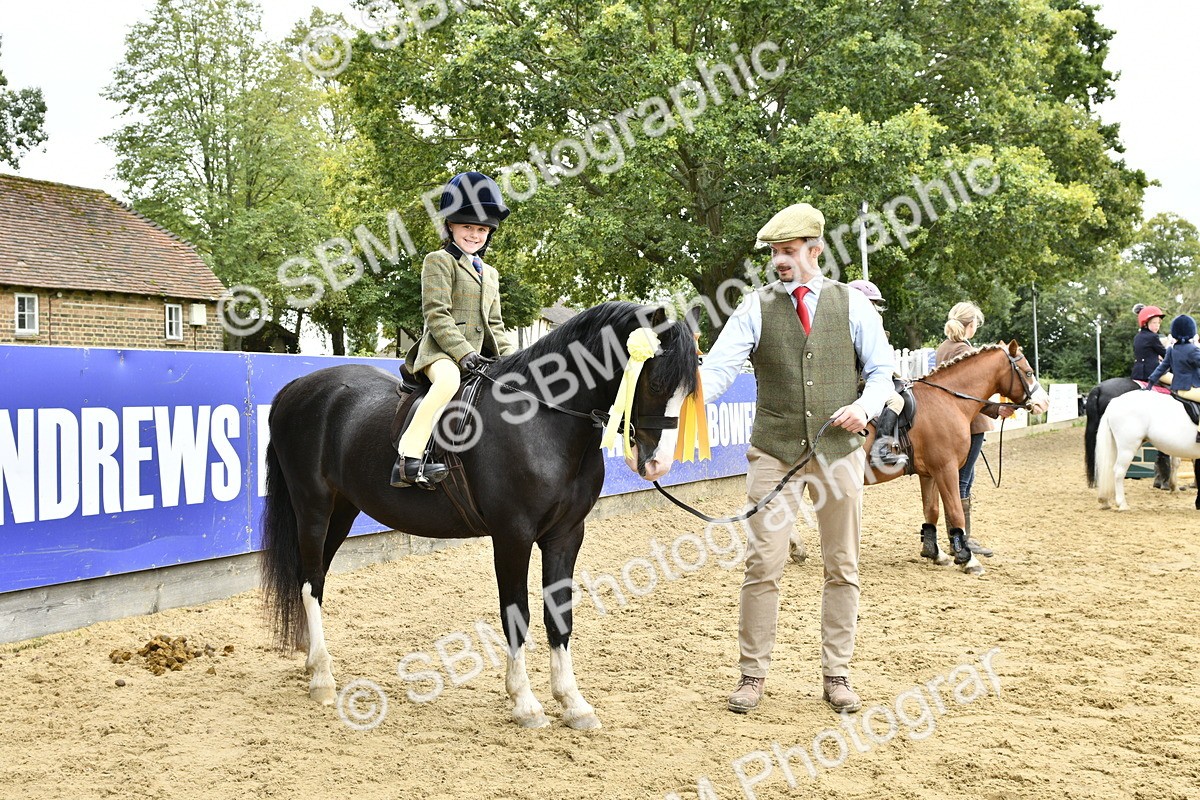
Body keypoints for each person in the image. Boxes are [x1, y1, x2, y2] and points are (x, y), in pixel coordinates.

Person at [700, 203, 895, 715]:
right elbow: (718, 370)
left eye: (788, 251)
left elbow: (882, 371)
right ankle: (752, 674)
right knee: (763, 563)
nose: (779, 261)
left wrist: (864, 407)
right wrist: (681, 400)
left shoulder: (853, 305)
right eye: (774, 253)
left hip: (839, 451)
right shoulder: (755, 306)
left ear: (816, 250)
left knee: (842, 565)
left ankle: (837, 674)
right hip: (774, 451)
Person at [392, 172, 516, 488]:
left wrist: (515, 360)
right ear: (451, 226)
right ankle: (408, 458)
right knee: (448, 381)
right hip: (441, 354)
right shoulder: (438, 261)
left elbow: (496, 325)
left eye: (481, 229)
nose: (474, 235)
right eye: (467, 227)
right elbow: (437, 315)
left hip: (480, 357)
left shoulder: (491, 274)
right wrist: (464, 353)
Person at [934, 302, 1012, 556]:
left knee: (959, 479)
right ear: (972, 325)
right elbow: (971, 392)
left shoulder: (943, 348)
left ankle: (959, 536)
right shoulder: (965, 350)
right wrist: (996, 409)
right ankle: (961, 539)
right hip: (970, 423)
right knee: (963, 481)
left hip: (948, 422)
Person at [849, 279, 907, 470]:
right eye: (871, 303)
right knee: (896, 401)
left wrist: (897, 376)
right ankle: (880, 450)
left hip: (865, 376)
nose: (874, 307)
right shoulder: (863, 324)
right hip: (860, 380)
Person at [1145, 314, 1200, 443]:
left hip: (1177, 388)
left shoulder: (1171, 350)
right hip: (1190, 388)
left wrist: (1150, 383)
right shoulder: (1193, 350)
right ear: (1191, 332)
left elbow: (1161, 368)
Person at [1131, 304, 1166, 382]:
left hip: (1137, 373)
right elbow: (1165, 354)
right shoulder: (1153, 337)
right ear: (1145, 323)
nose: (1157, 326)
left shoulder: (1137, 336)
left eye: (1158, 323)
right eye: (1154, 323)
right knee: (1177, 381)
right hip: (1151, 372)